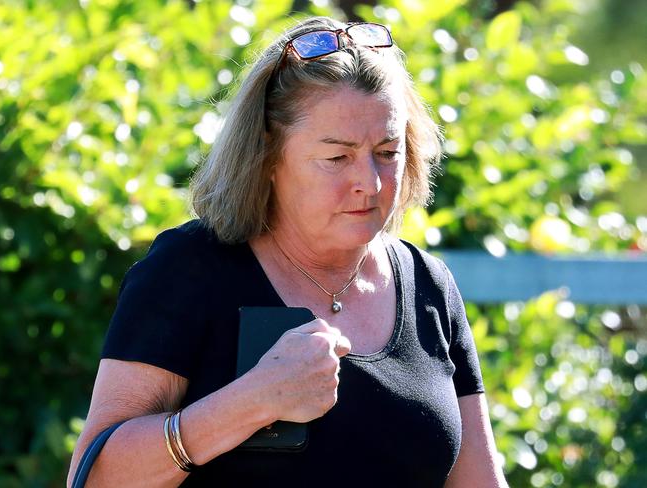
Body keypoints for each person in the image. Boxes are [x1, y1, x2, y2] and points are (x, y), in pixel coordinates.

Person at [67, 16, 508, 487]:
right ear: (268, 156)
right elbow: (94, 479)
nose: (371, 183)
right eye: (336, 157)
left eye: (388, 151)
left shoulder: (428, 284)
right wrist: (252, 402)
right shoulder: (188, 270)